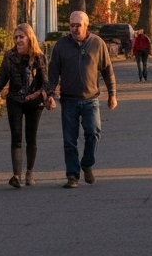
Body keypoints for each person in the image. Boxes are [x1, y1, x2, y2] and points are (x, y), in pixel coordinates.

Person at [45, 11, 117, 188]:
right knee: (69, 140)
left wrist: (112, 94)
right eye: (71, 25)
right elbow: (53, 73)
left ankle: (87, 163)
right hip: (69, 100)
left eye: (78, 25)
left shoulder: (97, 44)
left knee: (93, 133)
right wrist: (49, 95)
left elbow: (107, 70)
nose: (74, 29)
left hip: (91, 99)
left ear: (86, 26)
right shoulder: (61, 46)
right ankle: (72, 175)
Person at [0, 24, 49, 188]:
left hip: (34, 101)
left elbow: (46, 82)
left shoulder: (39, 57)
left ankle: (29, 173)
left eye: (21, 37)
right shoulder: (9, 56)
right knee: (16, 136)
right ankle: (16, 175)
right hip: (14, 100)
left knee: (31, 137)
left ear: (29, 38)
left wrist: (47, 96)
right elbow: (1, 79)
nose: (18, 40)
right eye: (16, 37)